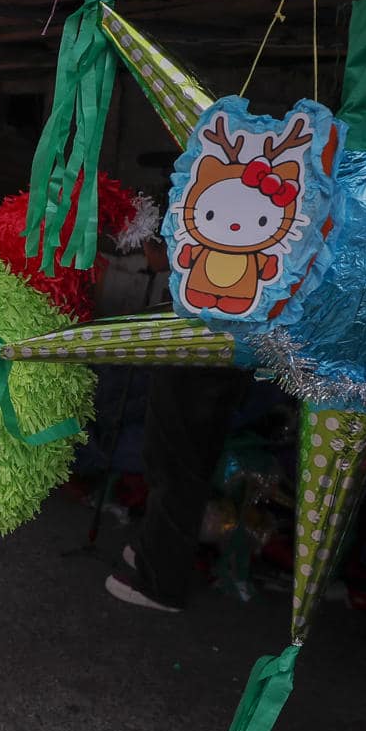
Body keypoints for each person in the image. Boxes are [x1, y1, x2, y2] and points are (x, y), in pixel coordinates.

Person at [103, 234, 253, 612]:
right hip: (213, 340)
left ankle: (161, 583)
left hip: (204, 341)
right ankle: (154, 550)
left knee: (179, 465)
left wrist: (167, 254)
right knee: (171, 456)